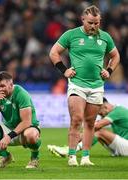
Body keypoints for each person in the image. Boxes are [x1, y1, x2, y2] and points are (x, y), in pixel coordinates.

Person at [49, 5, 120, 166]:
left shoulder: (105, 37)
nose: (93, 26)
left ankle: (86, 157)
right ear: (83, 20)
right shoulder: (71, 35)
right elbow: (53, 52)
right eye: (90, 23)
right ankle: (72, 156)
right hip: (77, 85)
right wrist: (64, 70)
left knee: (90, 122)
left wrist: (109, 70)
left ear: (100, 21)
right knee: (77, 119)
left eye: (96, 23)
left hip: (96, 86)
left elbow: (115, 56)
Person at [0, 71, 41, 169]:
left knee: (31, 135)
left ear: (11, 84)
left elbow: (26, 122)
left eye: (2, 86)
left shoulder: (21, 94)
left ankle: (34, 158)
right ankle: (6, 156)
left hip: (26, 128)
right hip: (8, 128)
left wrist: (9, 137)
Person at [48, 97, 128, 157]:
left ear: (105, 107)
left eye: (100, 113)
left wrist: (81, 135)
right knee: (95, 132)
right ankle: (70, 148)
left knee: (99, 131)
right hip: (123, 146)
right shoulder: (117, 111)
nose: (101, 116)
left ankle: (70, 150)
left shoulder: (118, 111)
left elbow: (97, 126)